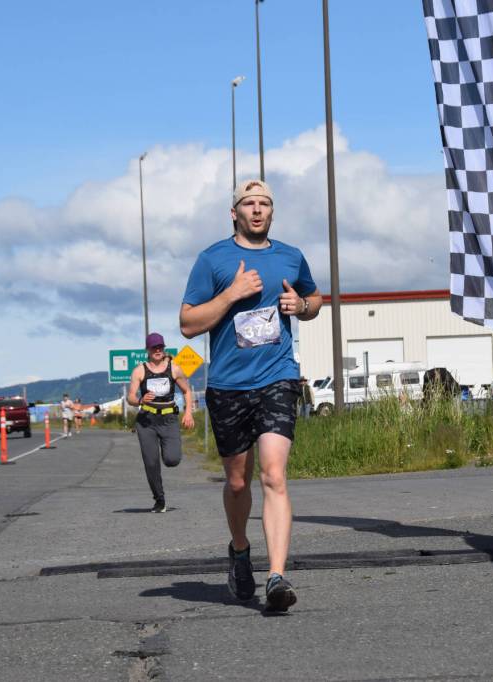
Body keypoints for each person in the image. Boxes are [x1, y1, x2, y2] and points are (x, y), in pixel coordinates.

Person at [180, 179, 322, 612]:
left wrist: (302, 307)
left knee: (274, 474)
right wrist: (230, 295)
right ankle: (240, 550)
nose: (257, 210)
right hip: (228, 385)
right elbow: (187, 323)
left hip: (278, 377)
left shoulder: (291, 255)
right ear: (234, 213)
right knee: (238, 481)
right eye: (249, 204)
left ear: (272, 212)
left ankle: (277, 576)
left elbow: (315, 299)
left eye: (264, 204)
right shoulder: (212, 259)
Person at [127, 332, 194, 513]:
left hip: (168, 419)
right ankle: (159, 499)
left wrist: (188, 413)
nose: (157, 350)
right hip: (146, 420)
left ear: (163, 348)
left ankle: (168, 453)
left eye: (160, 347)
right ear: (148, 350)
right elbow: (130, 397)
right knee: (151, 462)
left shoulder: (174, 368)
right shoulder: (140, 370)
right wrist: (140, 400)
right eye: (154, 347)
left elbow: (187, 391)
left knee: (172, 459)